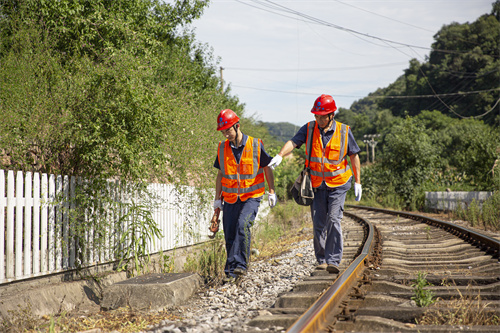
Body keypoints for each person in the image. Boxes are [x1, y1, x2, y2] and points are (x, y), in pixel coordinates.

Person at [268, 94, 362, 274]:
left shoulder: (343, 131)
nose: (318, 119)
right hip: (316, 185)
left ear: (331, 115)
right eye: (316, 115)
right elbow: (293, 142)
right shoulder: (309, 129)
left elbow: (353, 155)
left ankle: (333, 259)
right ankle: (322, 259)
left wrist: (358, 181)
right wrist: (281, 155)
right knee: (318, 223)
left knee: (334, 219)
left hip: (338, 183)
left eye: (322, 116)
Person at [213, 109, 277, 282]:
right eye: (223, 131)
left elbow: (267, 167)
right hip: (231, 198)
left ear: (237, 126)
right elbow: (220, 174)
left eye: (228, 130)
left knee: (242, 225)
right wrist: (217, 199)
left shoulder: (255, 144)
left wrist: (271, 191)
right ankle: (231, 271)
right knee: (229, 232)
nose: (226, 134)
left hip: (251, 196)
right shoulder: (222, 148)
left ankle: (241, 266)